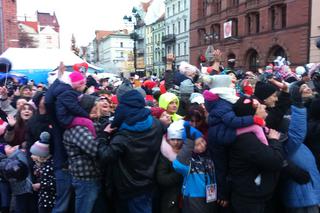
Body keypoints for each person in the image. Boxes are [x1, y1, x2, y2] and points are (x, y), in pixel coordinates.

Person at [98, 89, 164, 213]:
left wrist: (103, 135)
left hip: (130, 186)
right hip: (151, 180)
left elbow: (106, 156)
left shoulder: (123, 135)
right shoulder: (157, 124)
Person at [229, 96, 285, 213]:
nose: (264, 106)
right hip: (250, 201)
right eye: (259, 106)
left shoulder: (259, 130)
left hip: (258, 196)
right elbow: (275, 161)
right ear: (252, 115)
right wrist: (274, 141)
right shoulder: (246, 139)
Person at [281, 81, 320, 213]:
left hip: (310, 191)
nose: (308, 89)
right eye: (303, 88)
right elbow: (297, 133)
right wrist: (298, 105)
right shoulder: (289, 143)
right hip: (303, 196)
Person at [63, 95, 102, 213]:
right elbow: (94, 149)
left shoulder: (88, 124)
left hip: (93, 176)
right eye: (95, 107)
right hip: (86, 179)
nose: (97, 109)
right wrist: (105, 135)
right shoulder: (78, 127)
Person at [172, 120, 217, 213]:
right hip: (193, 197)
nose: (202, 145)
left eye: (202, 141)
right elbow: (178, 165)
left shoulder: (209, 156)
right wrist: (189, 143)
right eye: (197, 145)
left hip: (210, 195)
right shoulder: (189, 161)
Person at [156, 121, 184, 213]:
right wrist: (181, 173)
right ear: (168, 139)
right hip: (170, 199)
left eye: (178, 139)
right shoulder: (165, 155)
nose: (176, 142)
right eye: (173, 139)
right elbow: (162, 178)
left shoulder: (188, 152)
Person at [30, 132, 56, 213]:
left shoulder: (50, 166)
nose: (31, 156)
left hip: (50, 200)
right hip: (42, 199)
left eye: (34, 154)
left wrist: (41, 185)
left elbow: (54, 183)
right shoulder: (40, 165)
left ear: (41, 156)